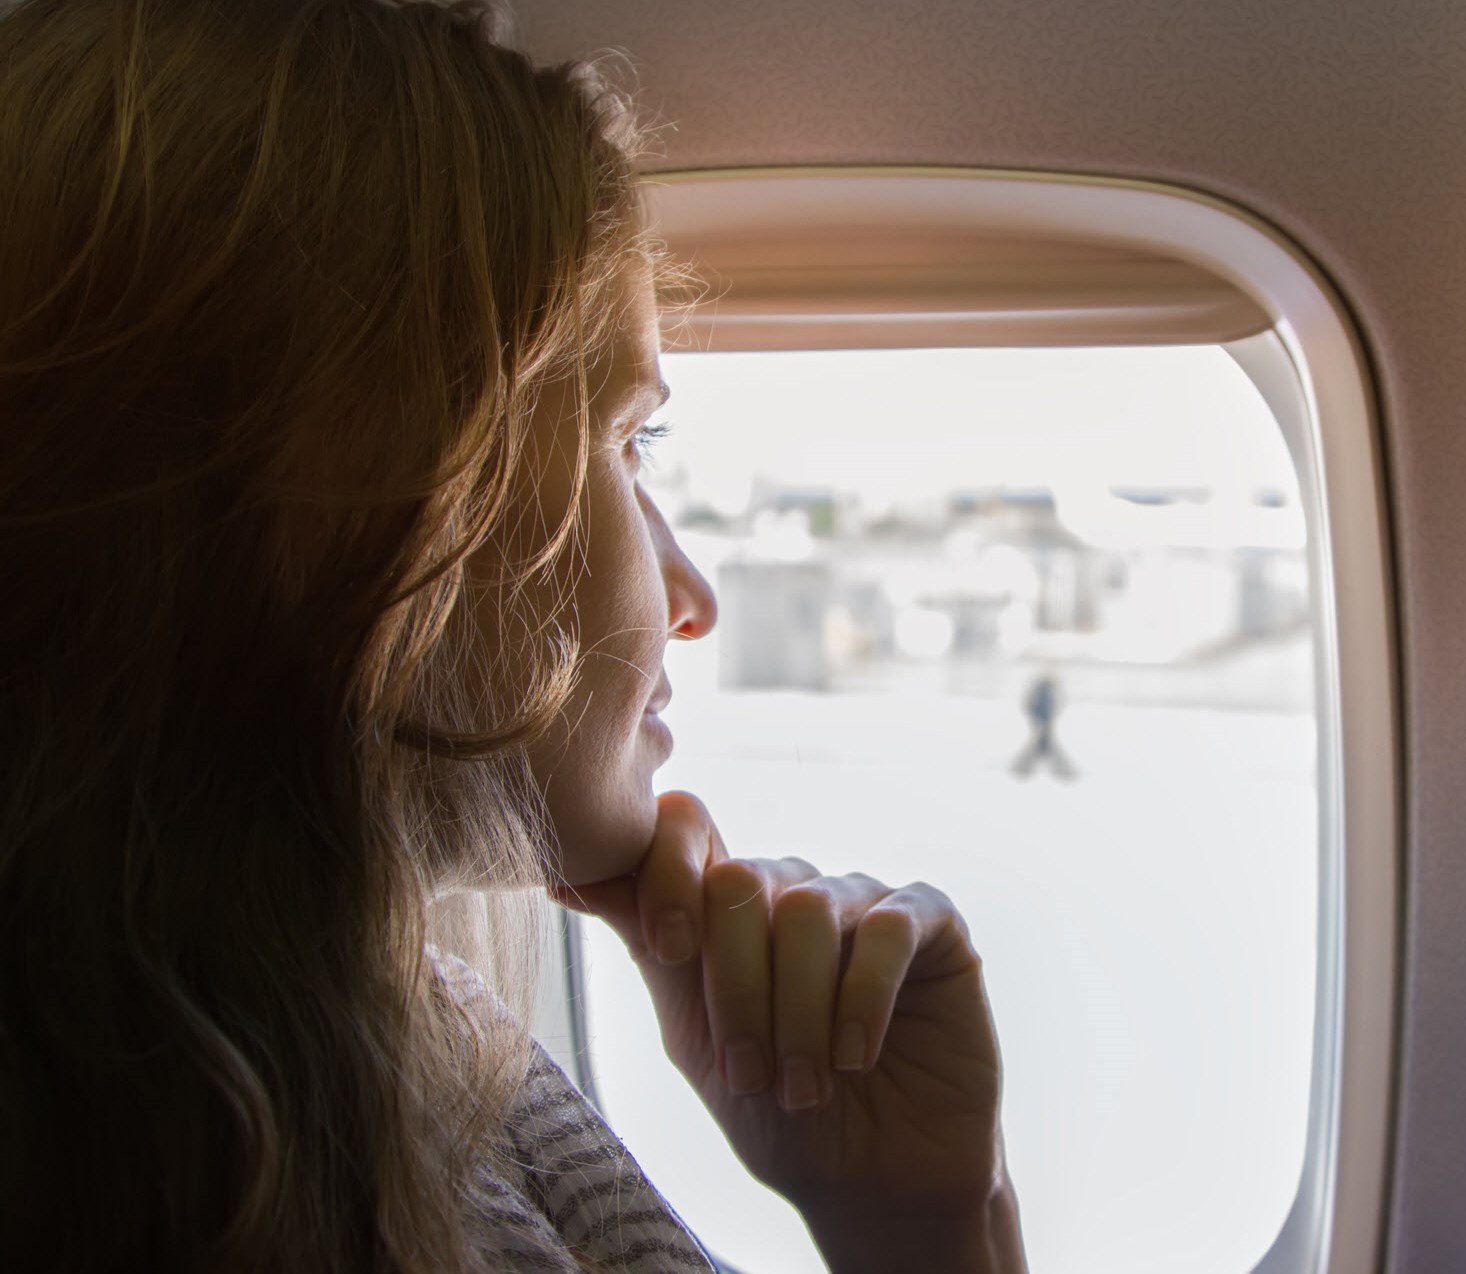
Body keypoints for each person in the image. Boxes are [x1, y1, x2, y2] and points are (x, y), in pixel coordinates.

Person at [0, 1, 1026, 1270]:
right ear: (366, 496)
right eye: (625, 440)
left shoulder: (423, 1034)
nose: (691, 591)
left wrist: (922, 1216)